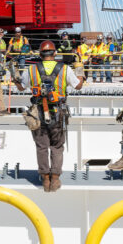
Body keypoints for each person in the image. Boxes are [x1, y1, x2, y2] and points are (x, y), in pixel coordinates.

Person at [17, 40, 85, 191]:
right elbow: (78, 86)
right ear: (55, 53)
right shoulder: (65, 69)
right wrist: (80, 71)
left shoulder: (31, 69)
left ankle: (45, 179)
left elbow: (21, 87)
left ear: (40, 54)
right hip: (58, 112)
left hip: (37, 112)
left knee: (41, 146)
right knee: (57, 145)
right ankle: (55, 179)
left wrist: (15, 78)